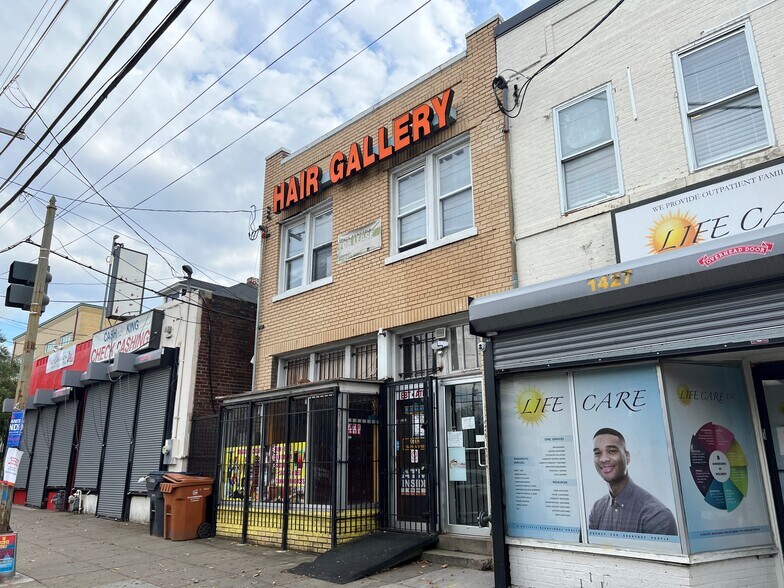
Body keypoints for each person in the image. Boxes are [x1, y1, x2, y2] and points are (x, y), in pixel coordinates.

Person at [589, 427, 677, 535]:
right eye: (597, 453)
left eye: (611, 451)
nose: (604, 459)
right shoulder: (597, 509)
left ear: (627, 457)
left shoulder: (657, 515)